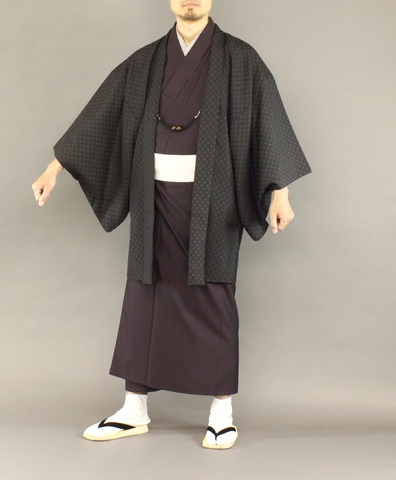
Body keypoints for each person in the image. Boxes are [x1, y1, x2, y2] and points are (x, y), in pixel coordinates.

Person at [32, 0, 311, 450]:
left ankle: (222, 414)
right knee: (144, 292)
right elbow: (102, 112)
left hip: (215, 199)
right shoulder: (146, 61)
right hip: (153, 194)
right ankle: (133, 408)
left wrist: (281, 191)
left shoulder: (240, 59)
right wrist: (55, 167)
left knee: (214, 293)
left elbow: (268, 122)